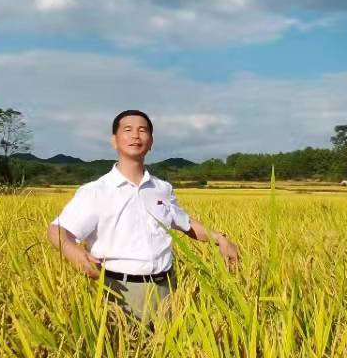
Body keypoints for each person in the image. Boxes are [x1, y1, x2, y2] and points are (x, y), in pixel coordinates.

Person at [46, 109, 241, 323]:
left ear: (151, 141)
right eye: (127, 130)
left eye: (142, 130)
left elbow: (185, 224)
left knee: (170, 351)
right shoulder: (96, 191)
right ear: (114, 141)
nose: (136, 135)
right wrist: (71, 250)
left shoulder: (161, 188)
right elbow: (57, 230)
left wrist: (220, 238)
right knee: (125, 352)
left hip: (166, 288)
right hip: (119, 290)